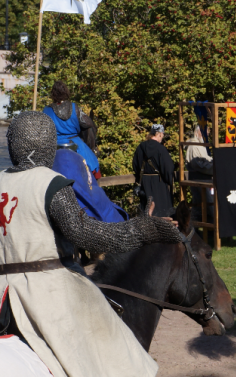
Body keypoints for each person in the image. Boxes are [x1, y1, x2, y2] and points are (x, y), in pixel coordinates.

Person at [0, 111, 181, 377]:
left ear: (13, 142)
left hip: (2, 292)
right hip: (46, 291)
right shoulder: (50, 183)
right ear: (49, 144)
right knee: (111, 342)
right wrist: (141, 230)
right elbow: (85, 234)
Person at [42, 80, 101, 178]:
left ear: (53, 94)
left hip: (53, 146)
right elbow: (88, 124)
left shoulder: (46, 110)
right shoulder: (74, 107)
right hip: (75, 144)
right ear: (66, 92)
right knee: (93, 168)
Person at [132, 124, 175, 218]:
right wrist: (169, 180)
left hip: (144, 184)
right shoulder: (161, 149)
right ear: (159, 134)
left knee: (146, 212)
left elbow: (135, 166)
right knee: (162, 214)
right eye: (162, 135)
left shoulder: (140, 148)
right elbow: (168, 169)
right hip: (159, 185)